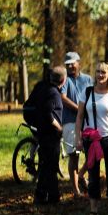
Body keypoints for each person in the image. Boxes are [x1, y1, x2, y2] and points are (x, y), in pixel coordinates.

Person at [75, 62, 108, 215]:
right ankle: (93, 210)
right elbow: (80, 116)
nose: (100, 75)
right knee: (93, 175)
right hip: (91, 140)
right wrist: (78, 138)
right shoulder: (87, 92)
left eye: (103, 72)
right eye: (97, 72)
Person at [60, 52, 93, 197]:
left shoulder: (87, 79)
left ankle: (81, 175)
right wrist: (79, 108)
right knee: (74, 156)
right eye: (67, 64)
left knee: (92, 153)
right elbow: (63, 98)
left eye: (73, 63)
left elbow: (93, 95)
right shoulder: (64, 80)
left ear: (79, 63)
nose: (70, 66)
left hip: (88, 121)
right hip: (70, 122)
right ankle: (76, 190)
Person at [33, 66, 67, 205]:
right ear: (63, 80)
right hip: (50, 135)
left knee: (46, 165)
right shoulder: (53, 93)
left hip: (42, 133)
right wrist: (58, 127)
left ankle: (45, 196)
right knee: (51, 166)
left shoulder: (43, 88)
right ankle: (50, 198)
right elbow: (48, 112)